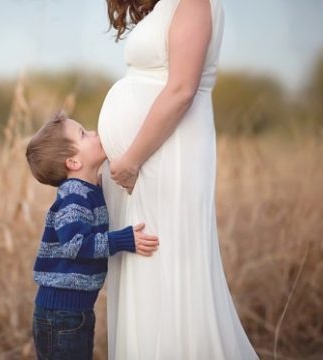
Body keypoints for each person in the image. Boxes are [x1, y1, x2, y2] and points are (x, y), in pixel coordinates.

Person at [97, 0, 259, 358]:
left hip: (165, 154)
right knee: (144, 265)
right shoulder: (164, 6)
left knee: (166, 263)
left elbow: (182, 89)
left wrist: (131, 159)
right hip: (143, 162)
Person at [25, 111, 159, 360]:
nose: (95, 133)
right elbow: (75, 245)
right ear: (73, 162)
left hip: (72, 311)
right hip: (61, 314)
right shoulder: (74, 197)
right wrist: (124, 240)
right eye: (83, 134)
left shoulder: (88, 189)